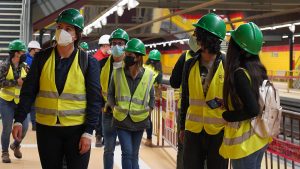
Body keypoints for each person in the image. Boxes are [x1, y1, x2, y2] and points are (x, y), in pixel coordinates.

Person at [12, 8, 101, 169]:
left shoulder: (88, 62)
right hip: (47, 130)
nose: (62, 32)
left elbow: (95, 100)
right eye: (59, 27)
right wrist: (18, 119)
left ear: (76, 35)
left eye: (68, 29)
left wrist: (88, 132)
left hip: (77, 130)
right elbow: (28, 92)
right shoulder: (41, 58)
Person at [180, 13, 228, 169]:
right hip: (193, 130)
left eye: (198, 34)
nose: (195, 37)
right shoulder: (189, 64)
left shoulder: (227, 64)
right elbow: (185, 98)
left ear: (207, 38)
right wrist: (182, 127)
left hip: (218, 131)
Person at [219, 22, 270, 169]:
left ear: (237, 48)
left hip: (245, 144)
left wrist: (228, 115)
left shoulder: (240, 73)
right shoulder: (257, 70)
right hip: (260, 138)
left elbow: (253, 109)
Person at [107, 38, 155, 169]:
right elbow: (110, 93)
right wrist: (113, 107)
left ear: (138, 57)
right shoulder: (117, 73)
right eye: (126, 54)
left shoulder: (148, 75)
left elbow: (152, 97)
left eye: (130, 55)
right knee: (127, 153)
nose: (126, 57)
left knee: (134, 154)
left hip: (140, 121)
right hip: (122, 120)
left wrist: (149, 110)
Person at [169, 35, 200, 169]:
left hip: (187, 110)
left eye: (195, 35)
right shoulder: (220, 58)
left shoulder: (185, 57)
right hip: (211, 115)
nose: (192, 37)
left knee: (183, 149)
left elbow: (174, 82)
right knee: (204, 152)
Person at [100, 28, 129, 168]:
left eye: (120, 43)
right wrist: (101, 105)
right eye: (114, 43)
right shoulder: (102, 66)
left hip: (125, 114)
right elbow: (97, 88)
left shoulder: (131, 67)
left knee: (126, 151)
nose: (117, 46)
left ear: (126, 45)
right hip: (108, 113)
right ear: (110, 45)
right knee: (108, 149)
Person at [0, 39, 29, 163]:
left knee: (25, 127)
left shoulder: (25, 66)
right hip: (6, 101)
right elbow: (0, 82)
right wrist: (15, 82)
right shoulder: (4, 66)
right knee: (7, 128)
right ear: (15, 53)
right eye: (22, 52)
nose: (24, 54)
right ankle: (5, 152)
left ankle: (16, 145)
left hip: (20, 102)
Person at [143, 49, 162, 147]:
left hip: (139, 95)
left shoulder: (143, 67)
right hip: (150, 98)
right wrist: (158, 97)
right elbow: (159, 87)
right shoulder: (158, 73)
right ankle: (149, 139)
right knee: (148, 119)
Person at [25, 40, 41, 131]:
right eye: (37, 49)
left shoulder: (36, 59)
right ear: (33, 49)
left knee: (34, 107)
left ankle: (34, 125)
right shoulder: (25, 59)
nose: (38, 51)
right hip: (26, 86)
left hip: (34, 86)